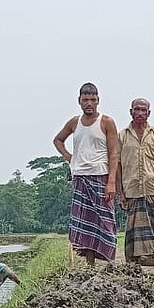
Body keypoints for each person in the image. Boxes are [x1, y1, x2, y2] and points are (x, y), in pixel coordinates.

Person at [52, 82, 118, 266]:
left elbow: (114, 153)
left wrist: (112, 181)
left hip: (101, 176)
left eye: (93, 99)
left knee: (105, 221)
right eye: (85, 99)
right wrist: (69, 157)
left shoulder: (106, 122)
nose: (89, 103)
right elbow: (58, 140)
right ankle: (90, 265)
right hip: (80, 177)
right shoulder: (74, 123)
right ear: (79, 101)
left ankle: (109, 263)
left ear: (98, 101)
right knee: (85, 222)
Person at [116, 97, 154, 271]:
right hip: (131, 189)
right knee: (134, 229)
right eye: (137, 109)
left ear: (149, 113)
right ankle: (133, 266)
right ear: (131, 111)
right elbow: (117, 165)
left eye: (143, 110)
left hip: (153, 188)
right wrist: (120, 193)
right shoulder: (122, 136)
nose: (140, 113)